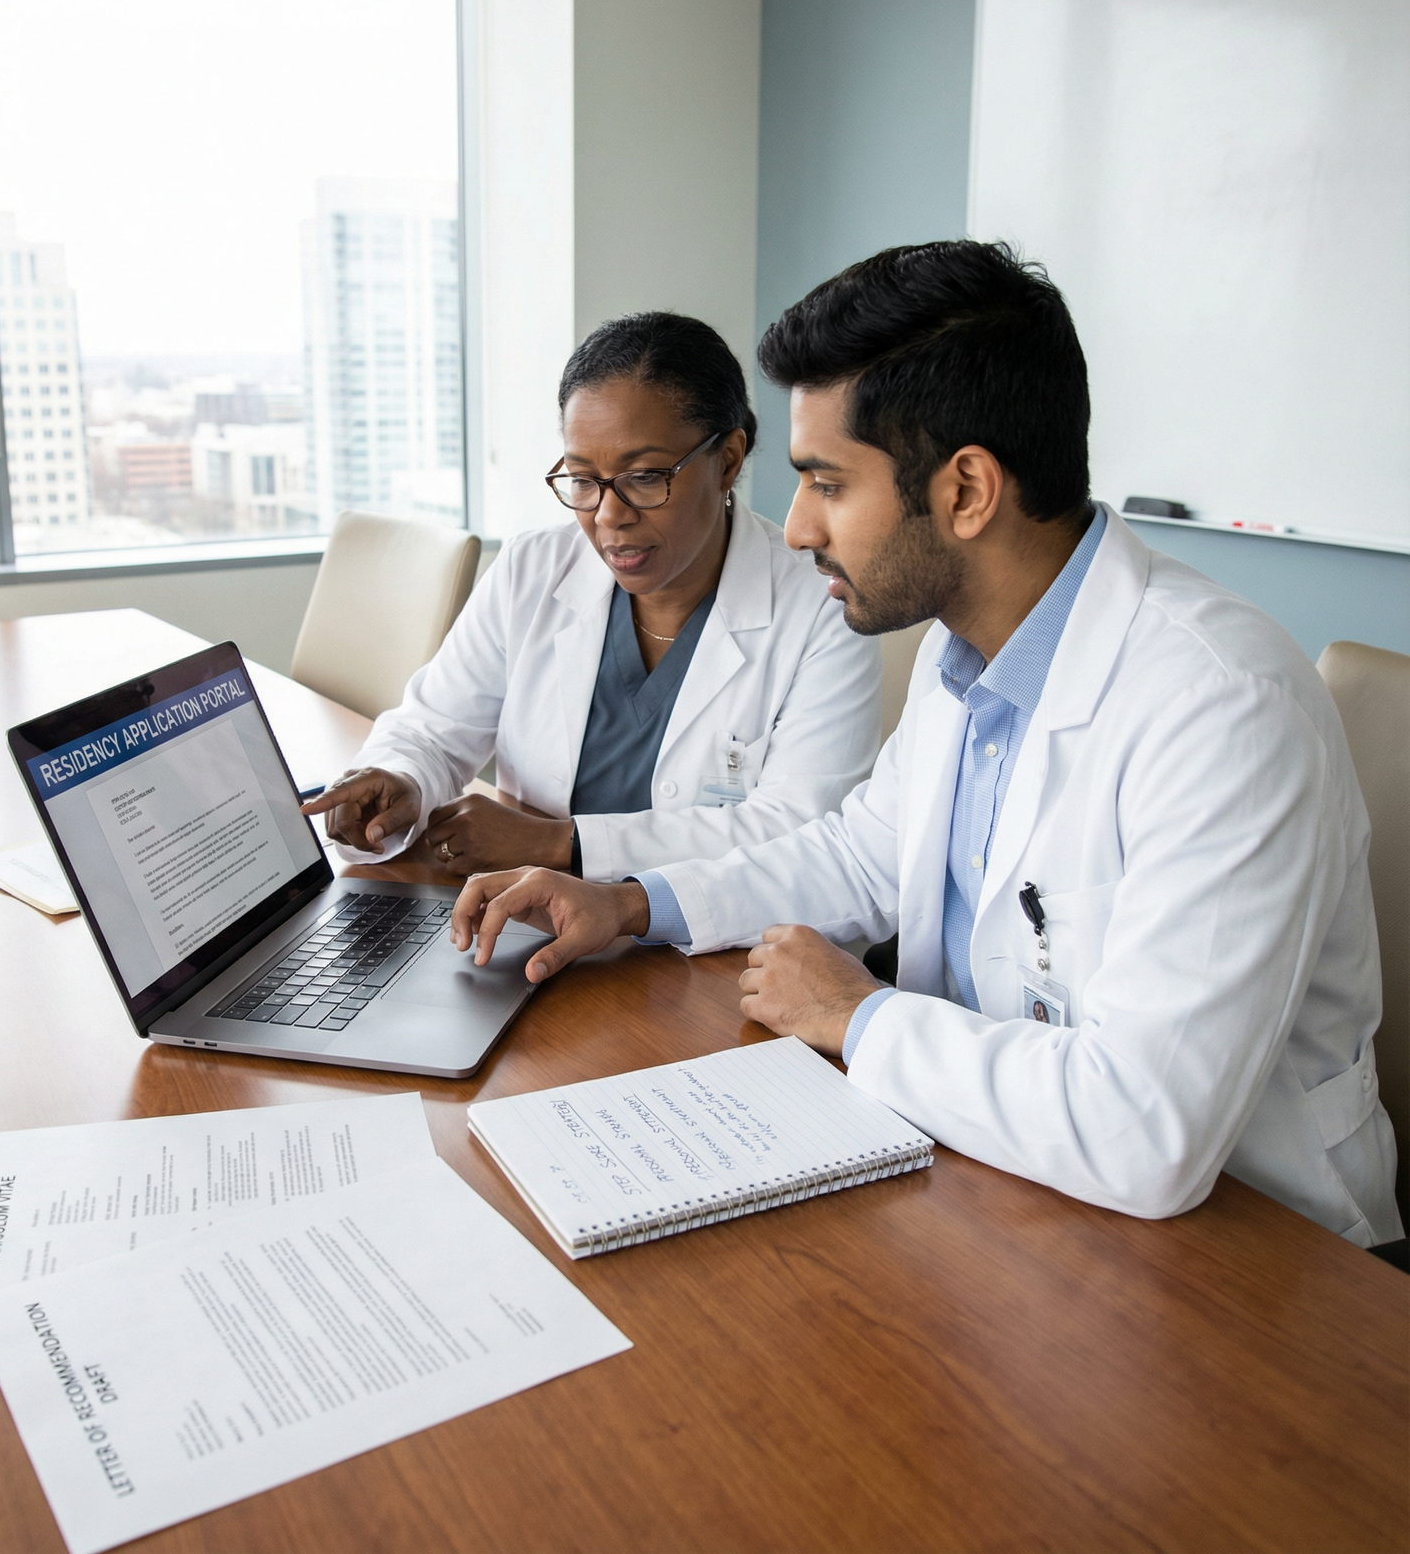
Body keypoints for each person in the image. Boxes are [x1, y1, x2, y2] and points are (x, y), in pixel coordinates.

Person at [447, 242, 1402, 1247]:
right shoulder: (967, 659)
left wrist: (857, 1017)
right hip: (1006, 1189)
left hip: (1261, 1263)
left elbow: (1145, 1130)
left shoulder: (1220, 706)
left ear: (965, 491)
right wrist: (631, 903)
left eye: (826, 483)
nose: (800, 528)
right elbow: (857, 852)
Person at [302, 311, 883, 883]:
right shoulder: (533, 569)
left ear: (727, 460)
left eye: (645, 477)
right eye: (582, 479)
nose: (609, 516)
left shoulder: (823, 606)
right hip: (523, 923)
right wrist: (400, 779)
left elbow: (803, 834)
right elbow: (433, 728)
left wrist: (561, 844)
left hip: (707, 950)